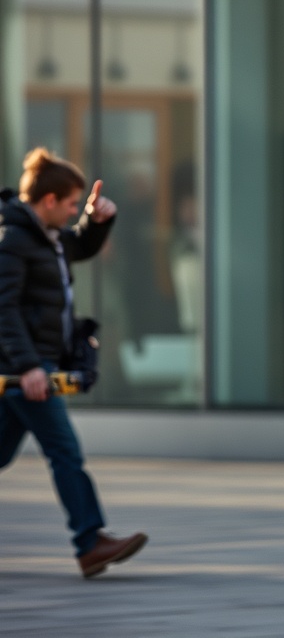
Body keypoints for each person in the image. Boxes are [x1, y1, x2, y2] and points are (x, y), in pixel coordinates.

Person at [0, 147, 148, 576]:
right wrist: (28, 367)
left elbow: (77, 246)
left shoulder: (43, 235)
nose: (70, 213)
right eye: (68, 205)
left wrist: (97, 221)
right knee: (64, 449)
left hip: (30, 364)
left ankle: (90, 542)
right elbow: (3, 310)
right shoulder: (13, 240)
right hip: (24, 367)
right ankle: (90, 542)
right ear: (48, 201)